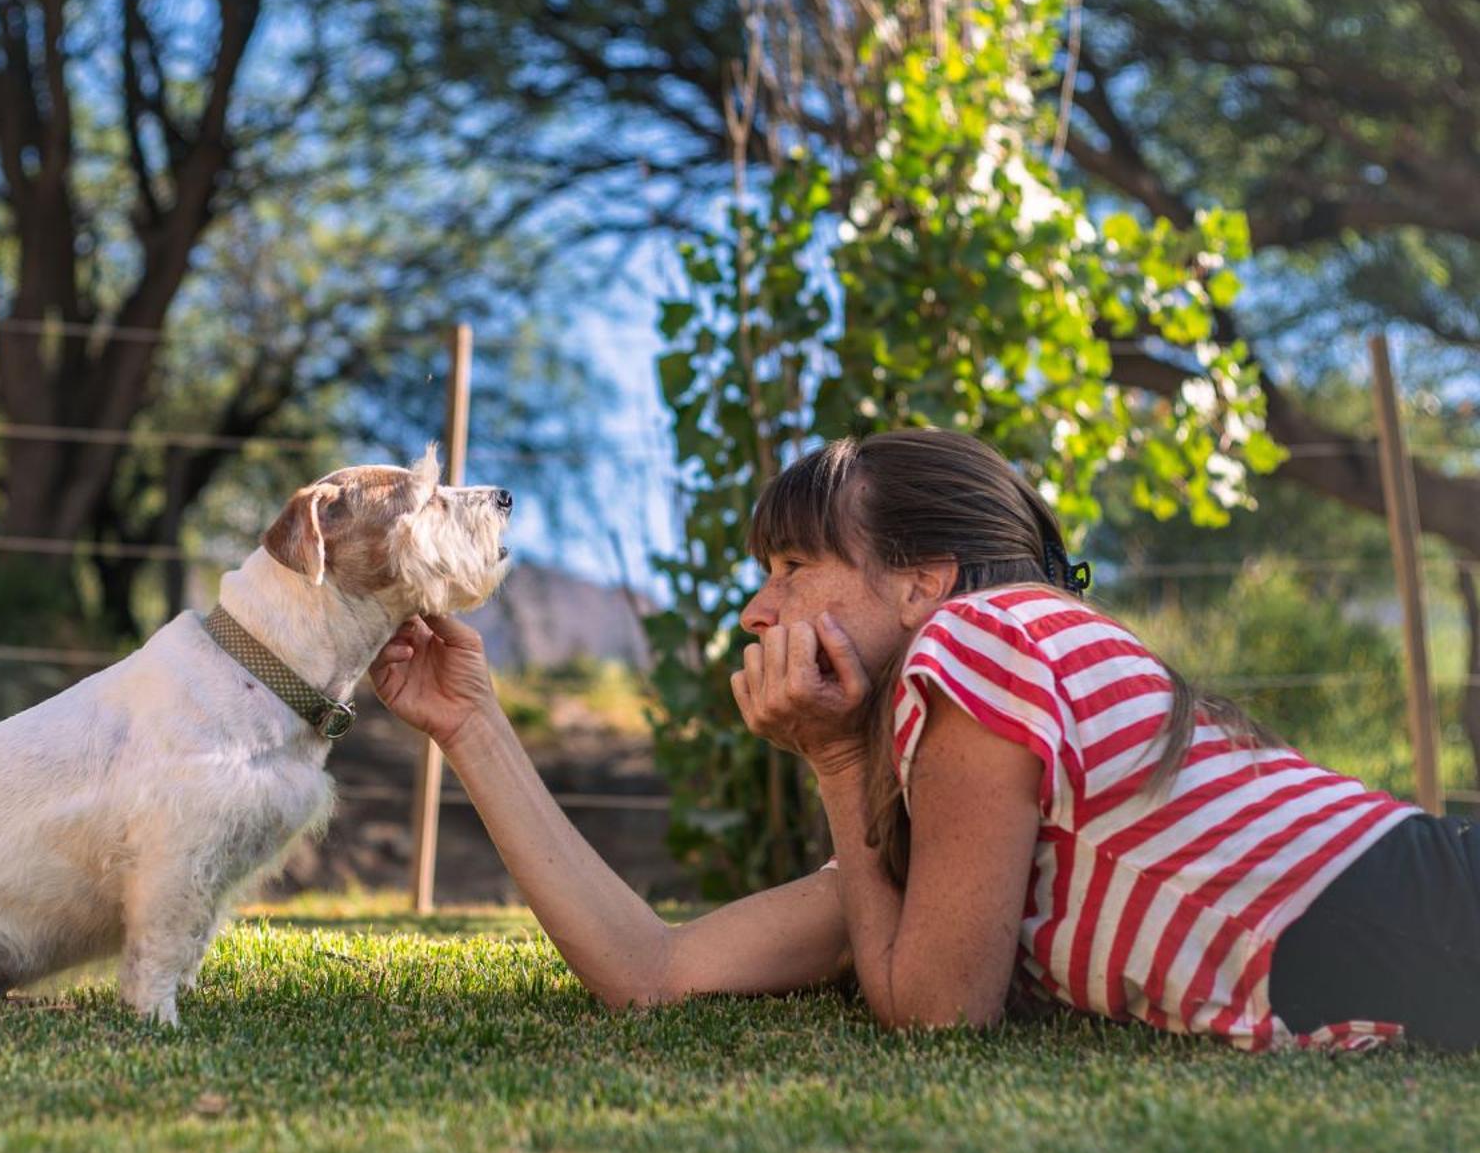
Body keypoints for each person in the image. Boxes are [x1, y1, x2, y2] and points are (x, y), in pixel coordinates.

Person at [369, 429, 1480, 1051]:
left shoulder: (983, 640)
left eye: (793, 567)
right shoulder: (948, 788)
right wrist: (470, 723)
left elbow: (939, 1012)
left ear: (923, 584)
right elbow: (650, 969)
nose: (757, 611)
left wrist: (839, 762)